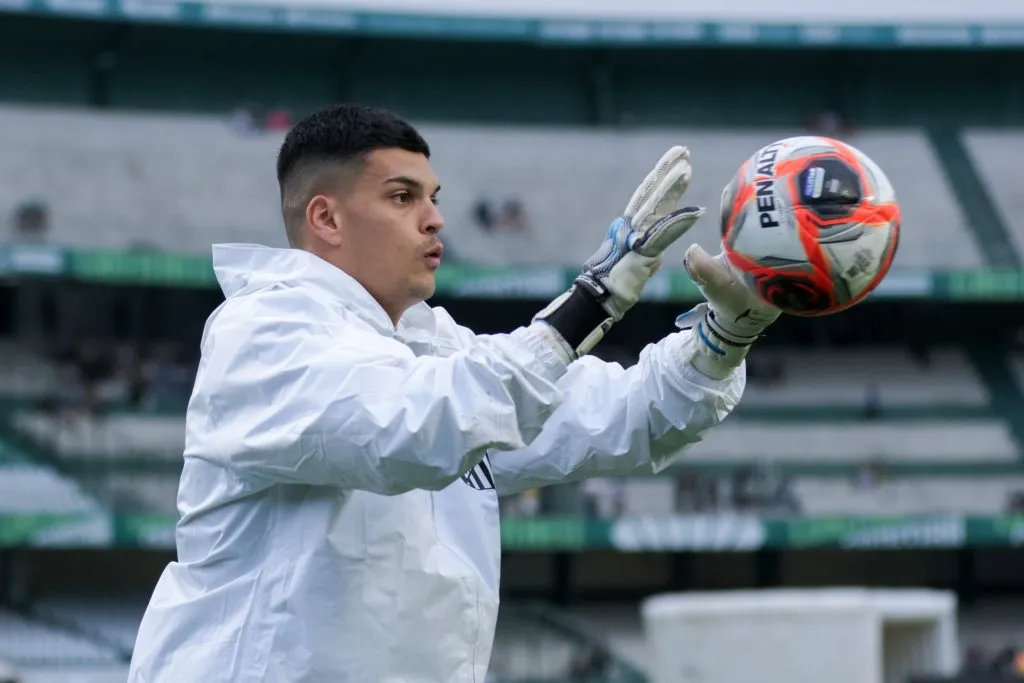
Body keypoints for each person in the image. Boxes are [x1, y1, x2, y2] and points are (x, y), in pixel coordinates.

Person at [128, 104, 780, 683]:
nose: (436, 219)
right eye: (403, 196)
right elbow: (411, 426)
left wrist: (724, 336)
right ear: (326, 216)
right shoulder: (264, 330)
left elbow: (631, 418)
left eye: (433, 196)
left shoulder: (439, 350)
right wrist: (593, 299)